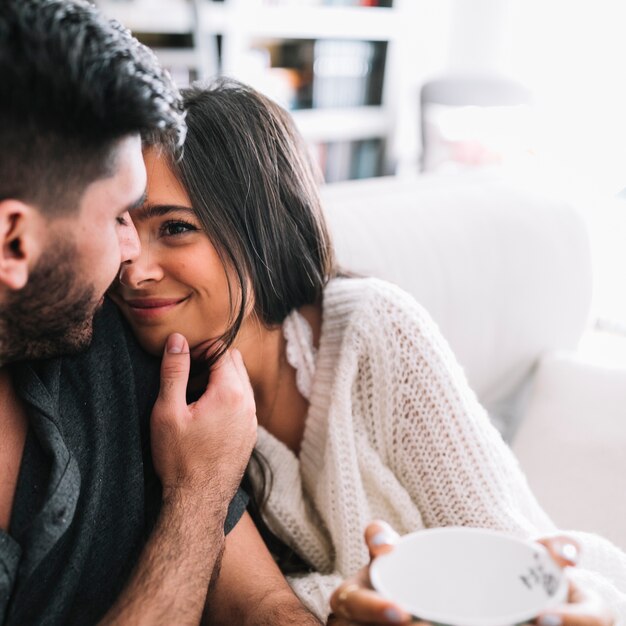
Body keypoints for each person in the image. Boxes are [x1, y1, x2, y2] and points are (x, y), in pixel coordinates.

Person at [110, 78, 626, 626]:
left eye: (175, 228)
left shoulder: (372, 332)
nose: (134, 269)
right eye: (122, 224)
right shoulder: (150, 403)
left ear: (260, 226)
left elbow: (505, 548)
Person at [0, 2, 323, 624]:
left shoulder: (111, 342)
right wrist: (197, 495)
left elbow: (262, 603)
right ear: (14, 242)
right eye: (118, 216)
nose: (131, 258)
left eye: (165, 226)